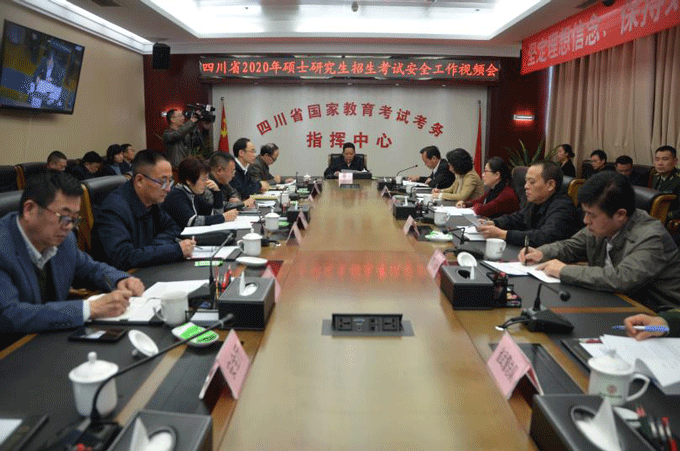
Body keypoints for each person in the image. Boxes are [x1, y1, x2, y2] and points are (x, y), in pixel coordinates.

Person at [0, 172, 144, 334]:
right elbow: (8, 315)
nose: (68, 226)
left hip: (50, 338)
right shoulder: (3, 248)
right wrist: (89, 309)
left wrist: (120, 279)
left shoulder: (64, 240)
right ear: (29, 209)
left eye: (74, 219)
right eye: (63, 216)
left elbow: (91, 269)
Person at [520, 172, 680, 310]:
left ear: (620, 214)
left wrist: (564, 270)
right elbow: (570, 246)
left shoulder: (651, 237)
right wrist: (541, 252)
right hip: (613, 302)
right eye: (585, 213)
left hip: (658, 319)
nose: (585, 220)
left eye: (591, 215)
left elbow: (621, 278)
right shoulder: (602, 226)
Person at [92, 150, 195, 271]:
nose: (168, 189)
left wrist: (155, 248)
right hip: (122, 278)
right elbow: (123, 258)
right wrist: (173, 250)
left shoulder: (150, 203)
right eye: (162, 181)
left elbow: (173, 228)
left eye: (170, 181)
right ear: (140, 180)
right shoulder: (112, 210)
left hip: (147, 269)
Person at [478, 161, 581, 247]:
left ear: (550, 185)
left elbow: (545, 237)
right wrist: (494, 223)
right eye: (526, 181)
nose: (526, 186)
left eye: (532, 182)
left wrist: (502, 234)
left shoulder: (563, 207)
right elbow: (517, 218)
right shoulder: (536, 201)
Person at [162, 156, 238, 227]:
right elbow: (192, 221)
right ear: (189, 180)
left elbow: (214, 214)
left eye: (207, 179)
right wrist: (223, 217)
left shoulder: (193, 195)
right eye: (203, 179)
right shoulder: (176, 195)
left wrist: (217, 192)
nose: (206, 183)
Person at [651, 145, 680, 221]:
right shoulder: (655, 176)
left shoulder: (678, 179)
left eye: (665, 159)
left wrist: (664, 215)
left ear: (675, 161)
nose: (660, 163)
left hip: (671, 220)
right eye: (657, 159)